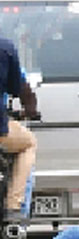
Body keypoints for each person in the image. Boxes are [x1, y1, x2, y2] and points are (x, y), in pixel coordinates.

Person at [0, 35, 38, 221]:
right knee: (28, 143)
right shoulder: (5, 48)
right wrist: (30, 109)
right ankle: (14, 208)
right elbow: (20, 88)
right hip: (1, 131)